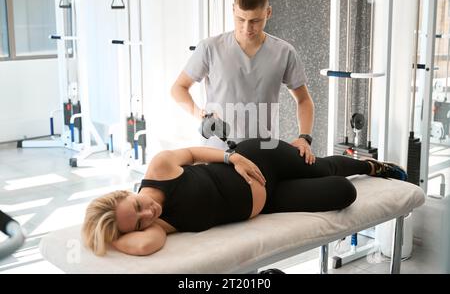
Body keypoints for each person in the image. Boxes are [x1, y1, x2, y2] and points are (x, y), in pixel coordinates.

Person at [82, 138, 407, 256]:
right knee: (343, 191)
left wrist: (231, 158)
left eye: (137, 206)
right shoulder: (157, 229)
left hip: (256, 158)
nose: (148, 213)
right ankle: (358, 173)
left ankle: (372, 166)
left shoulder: (160, 167)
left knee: (320, 167)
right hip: (271, 202)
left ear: (127, 192)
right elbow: (142, 246)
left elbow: (194, 151)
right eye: (138, 223)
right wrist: (107, 236)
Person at [170, 0, 316, 165]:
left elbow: (304, 100)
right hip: (215, 154)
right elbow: (178, 88)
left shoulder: (284, 52)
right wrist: (199, 113)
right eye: (241, 19)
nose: (247, 28)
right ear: (233, 9)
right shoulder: (210, 48)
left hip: (262, 154)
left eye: (255, 20)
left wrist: (304, 137)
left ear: (268, 12)